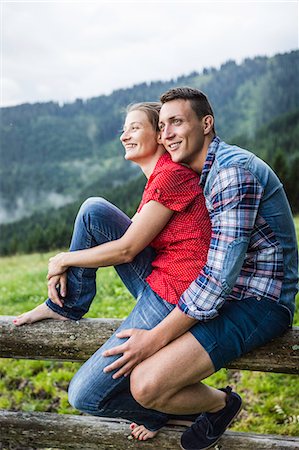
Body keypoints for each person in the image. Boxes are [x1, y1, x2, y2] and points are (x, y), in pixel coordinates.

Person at [100, 87, 298, 450]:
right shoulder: (198, 171)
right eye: (162, 126)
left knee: (145, 384)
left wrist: (155, 337)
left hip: (258, 302)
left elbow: (220, 279)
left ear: (207, 123)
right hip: (224, 295)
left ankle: (222, 404)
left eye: (177, 122)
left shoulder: (230, 173)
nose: (167, 134)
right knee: (97, 213)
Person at [14, 102, 212, 440]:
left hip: (174, 295)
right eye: (125, 129)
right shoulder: (159, 178)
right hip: (160, 278)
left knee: (84, 395)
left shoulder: (171, 176)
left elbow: (126, 249)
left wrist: (64, 260)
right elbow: (128, 236)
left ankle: (169, 410)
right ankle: (65, 306)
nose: (125, 136)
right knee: (94, 211)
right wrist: (70, 260)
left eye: (135, 128)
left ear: (160, 135)